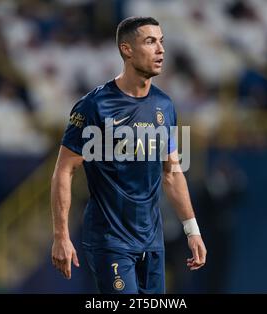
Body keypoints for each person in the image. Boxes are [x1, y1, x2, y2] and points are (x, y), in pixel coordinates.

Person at [50, 16, 206, 294]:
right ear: (127, 49)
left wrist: (192, 230)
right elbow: (64, 170)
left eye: (161, 42)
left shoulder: (164, 105)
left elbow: (172, 173)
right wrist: (61, 235)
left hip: (151, 239)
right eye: (150, 41)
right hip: (110, 240)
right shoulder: (94, 106)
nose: (160, 49)